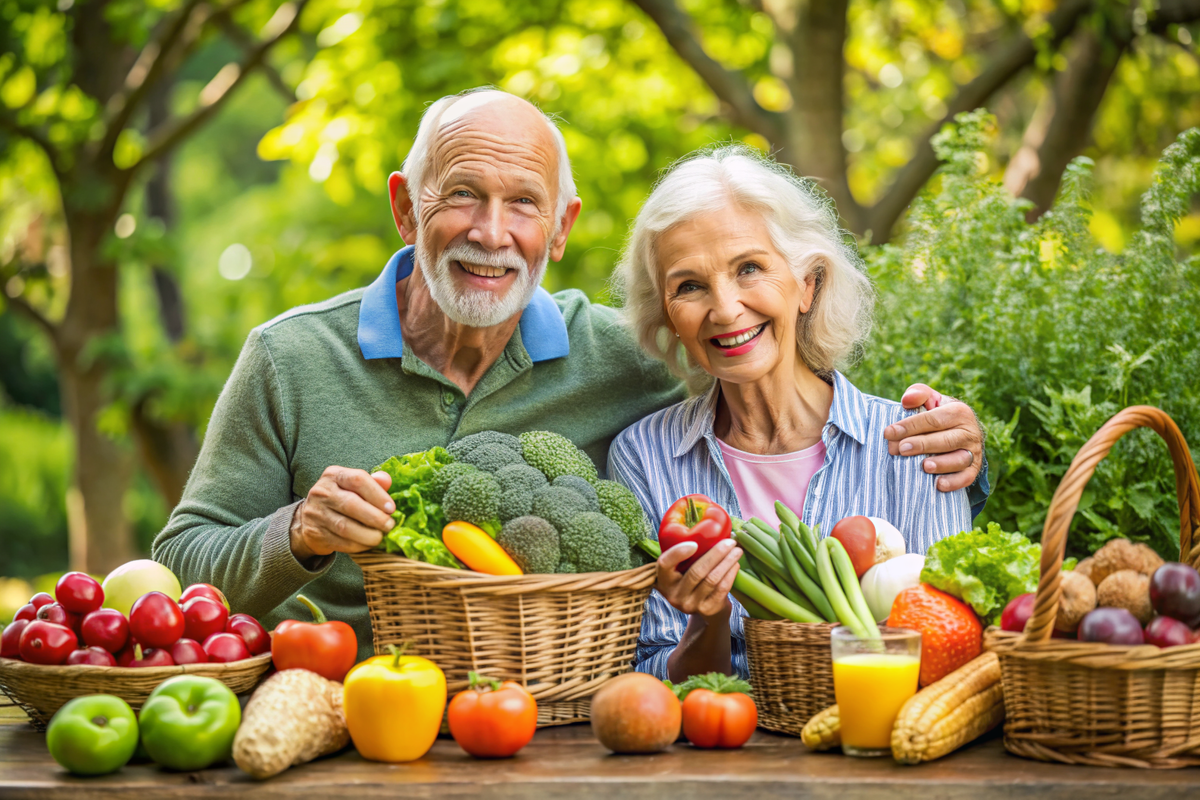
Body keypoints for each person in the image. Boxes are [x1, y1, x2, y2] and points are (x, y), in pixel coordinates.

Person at [153, 89, 985, 661]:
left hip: (542, 725)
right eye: (462, 195)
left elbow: (769, 377)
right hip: (334, 699)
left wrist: (960, 451)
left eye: (523, 203)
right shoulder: (290, 358)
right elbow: (182, 562)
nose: (491, 231)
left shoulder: (626, 360)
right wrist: (296, 531)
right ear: (407, 207)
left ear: (560, 230)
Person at [609, 144, 977, 683]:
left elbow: (952, 647)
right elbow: (656, 677)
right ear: (667, 315)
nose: (725, 308)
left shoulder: (913, 442)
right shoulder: (644, 457)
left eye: (749, 268)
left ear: (807, 284)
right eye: (690, 286)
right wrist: (705, 622)